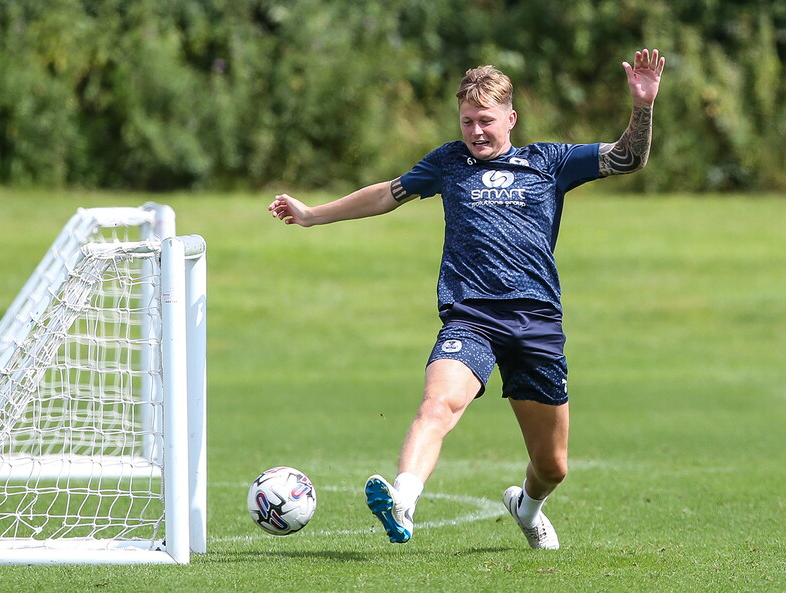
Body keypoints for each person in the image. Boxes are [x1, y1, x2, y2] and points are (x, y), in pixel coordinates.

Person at [267, 49, 665, 549]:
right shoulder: (449, 163)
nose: (475, 131)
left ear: (510, 118)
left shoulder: (550, 162)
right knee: (438, 403)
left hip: (535, 320)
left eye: (486, 121)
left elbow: (628, 158)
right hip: (470, 315)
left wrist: (643, 106)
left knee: (553, 465)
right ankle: (403, 501)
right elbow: (385, 194)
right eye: (467, 122)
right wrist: (311, 214)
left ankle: (527, 505)